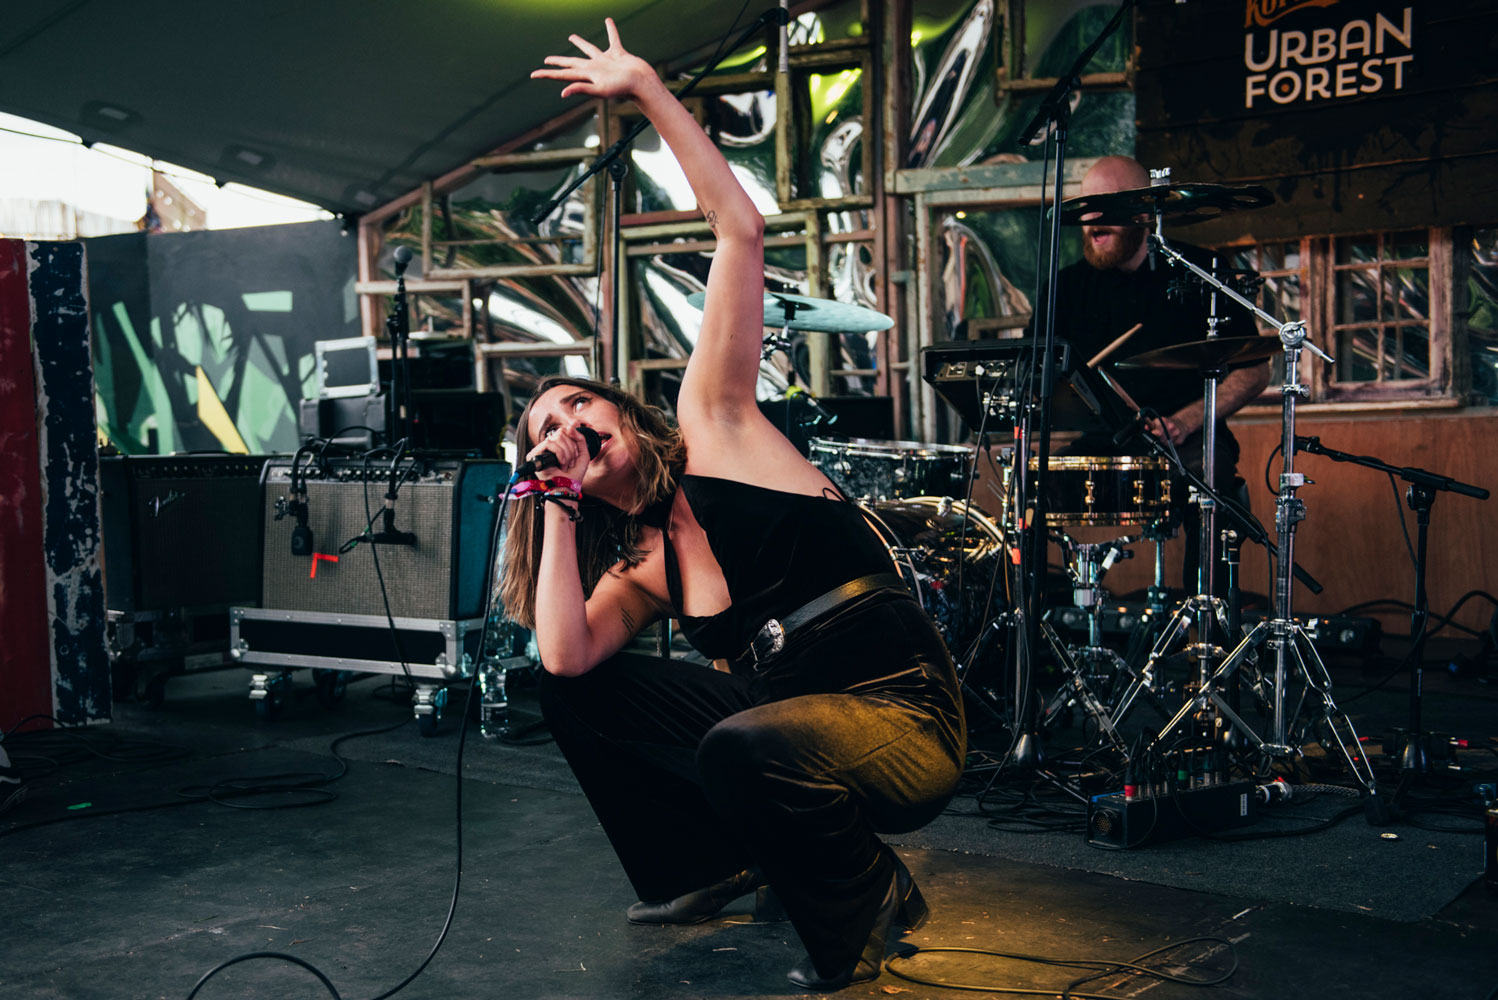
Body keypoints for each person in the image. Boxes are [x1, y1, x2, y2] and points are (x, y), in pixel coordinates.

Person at [502, 19, 966, 991]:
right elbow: (564, 657)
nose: (569, 425)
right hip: (783, 720)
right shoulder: (639, 563)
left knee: (741, 741)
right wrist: (551, 506)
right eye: (547, 429)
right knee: (573, 688)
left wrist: (645, 87)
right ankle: (704, 868)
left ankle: (872, 896)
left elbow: (739, 231)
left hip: (902, 713)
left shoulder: (712, 425)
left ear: (617, 409)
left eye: (577, 404)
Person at [1049, 155, 1271, 593]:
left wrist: (1185, 421)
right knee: (1026, 487)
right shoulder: (1065, 288)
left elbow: (1254, 372)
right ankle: (1042, 618)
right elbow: (1038, 374)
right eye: (1086, 206)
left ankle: (1204, 619)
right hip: (1104, 440)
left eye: (1108, 205)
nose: (1093, 219)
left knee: (1210, 486)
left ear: (1144, 213)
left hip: (1187, 441)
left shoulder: (1204, 273)